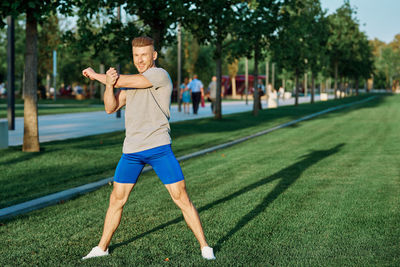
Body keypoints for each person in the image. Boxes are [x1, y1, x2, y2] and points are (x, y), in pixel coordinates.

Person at [81, 36, 215, 261]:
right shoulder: (130, 82)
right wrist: (108, 84)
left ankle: (205, 247)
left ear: (154, 55)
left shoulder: (159, 75)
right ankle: (101, 248)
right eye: (136, 55)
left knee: (180, 196)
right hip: (132, 150)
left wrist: (96, 75)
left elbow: (126, 80)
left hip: (158, 147)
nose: (140, 59)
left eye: (144, 55)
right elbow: (110, 107)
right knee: (117, 199)